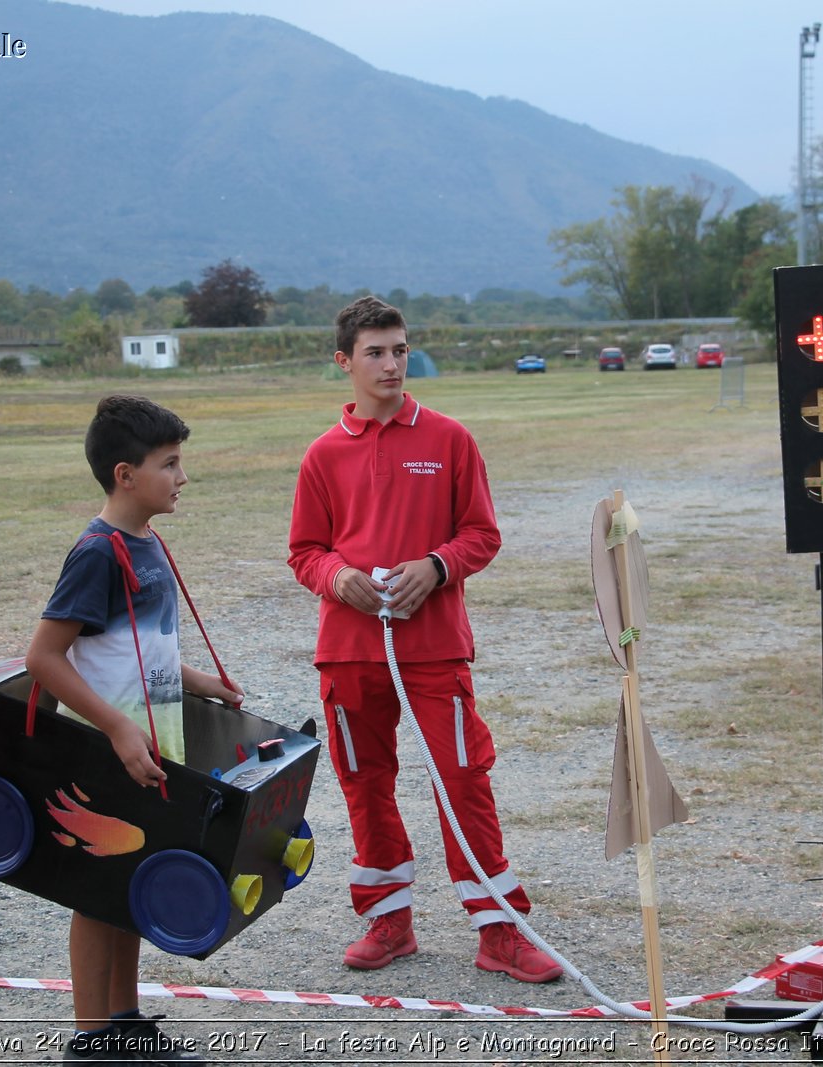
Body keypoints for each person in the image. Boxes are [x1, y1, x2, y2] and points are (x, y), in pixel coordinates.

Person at [287, 295, 563, 983]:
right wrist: (337, 576)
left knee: (464, 778)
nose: (391, 364)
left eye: (400, 349)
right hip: (349, 650)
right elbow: (304, 551)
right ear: (344, 361)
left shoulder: (449, 439)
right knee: (365, 781)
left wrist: (436, 567)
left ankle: (500, 929)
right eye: (376, 352)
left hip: (436, 646)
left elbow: (482, 534)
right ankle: (389, 920)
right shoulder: (322, 455)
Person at [25, 394, 244, 1063]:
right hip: (108, 749)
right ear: (125, 474)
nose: (182, 476)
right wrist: (118, 726)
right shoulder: (97, 552)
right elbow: (44, 655)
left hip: (152, 747)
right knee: (97, 890)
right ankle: (91, 1039)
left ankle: (123, 1022)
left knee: (131, 883)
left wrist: (200, 681)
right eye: (169, 463)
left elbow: (137, 647)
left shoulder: (147, 544)